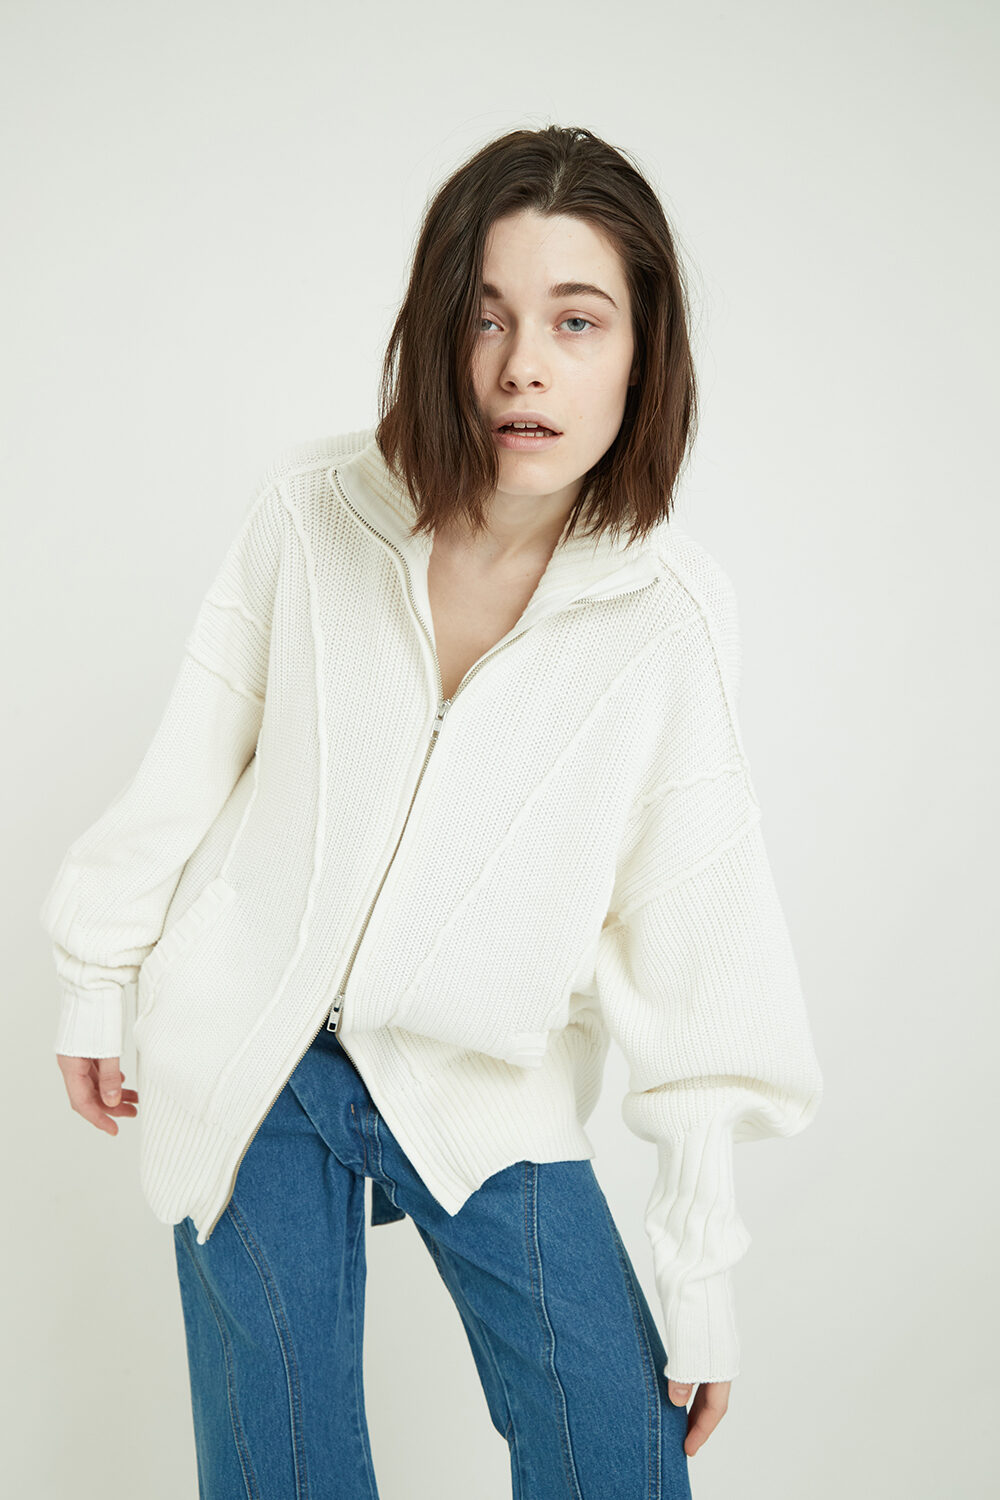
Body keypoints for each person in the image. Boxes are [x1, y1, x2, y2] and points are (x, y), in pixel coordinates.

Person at [40, 123, 823, 1497]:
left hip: (478, 1072)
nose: (525, 366)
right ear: (435, 334)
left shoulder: (669, 614)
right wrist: (96, 979)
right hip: (255, 1056)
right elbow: (191, 759)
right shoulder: (313, 514)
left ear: (642, 352)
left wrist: (698, 1273)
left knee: (618, 1461)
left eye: (576, 320)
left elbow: (700, 929)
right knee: (282, 1474)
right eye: (486, 317)